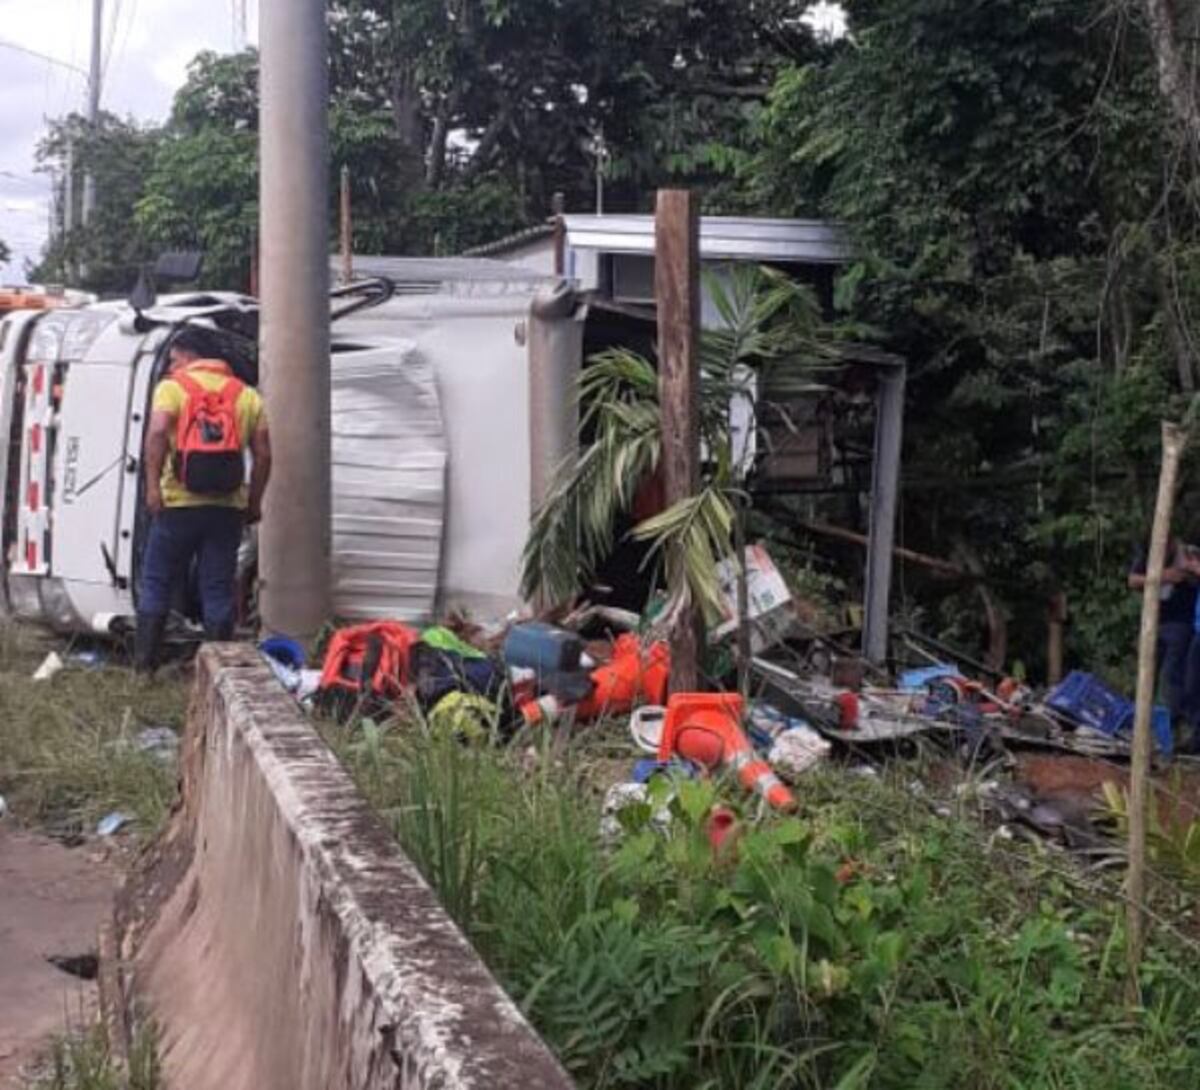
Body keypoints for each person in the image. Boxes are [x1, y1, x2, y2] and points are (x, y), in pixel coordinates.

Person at [134, 326, 271, 671]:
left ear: (190, 355)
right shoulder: (247, 394)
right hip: (227, 508)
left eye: (174, 357)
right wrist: (254, 503)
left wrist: (152, 487)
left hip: (178, 505)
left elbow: (155, 432)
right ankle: (219, 673)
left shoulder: (172, 388)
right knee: (217, 587)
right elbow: (265, 453)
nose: (170, 365)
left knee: (157, 580)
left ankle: (144, 667)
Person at [1128, 534, 1200, 730]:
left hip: (1181, 623)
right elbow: (1133, 579)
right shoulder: (1148, 553)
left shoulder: (1187, 552)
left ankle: (1172, 725)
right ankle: (1143, 722)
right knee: (1147, 671)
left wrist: (1188, 570)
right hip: (1153, 620)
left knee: (1172, 676)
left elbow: (1190, 573)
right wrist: (1160, 576)